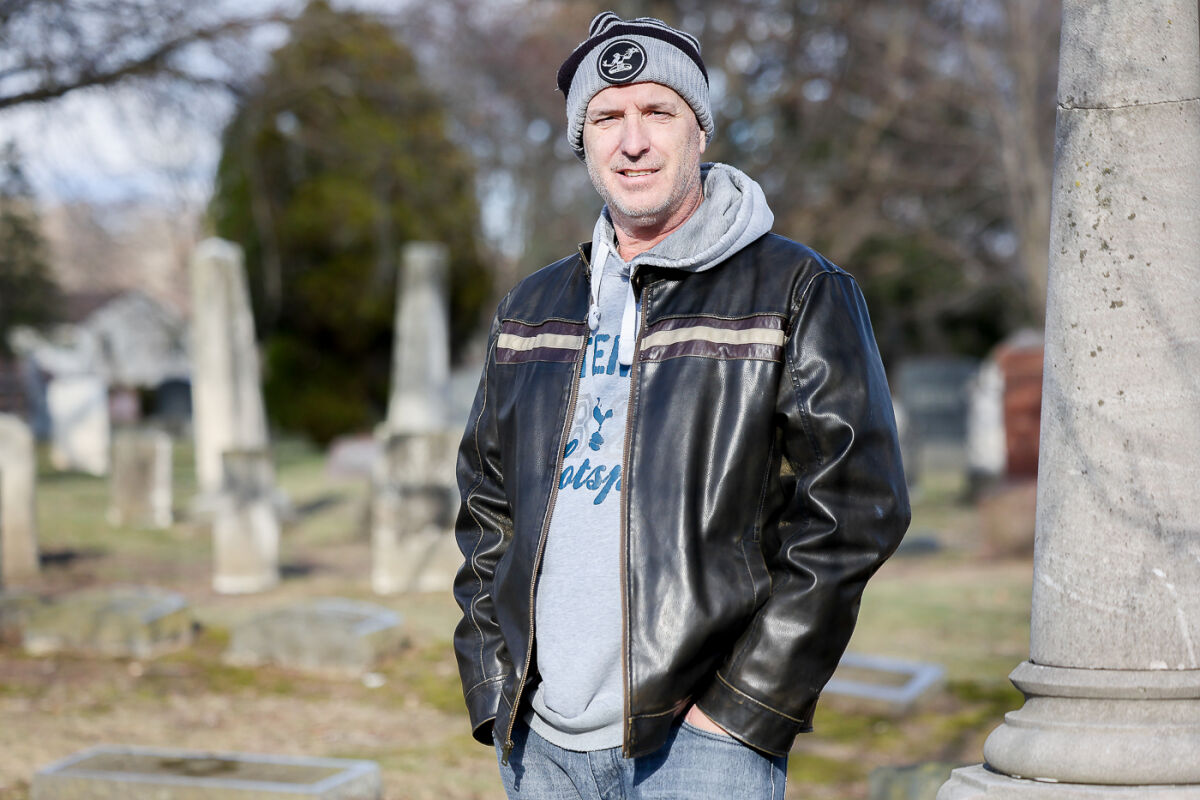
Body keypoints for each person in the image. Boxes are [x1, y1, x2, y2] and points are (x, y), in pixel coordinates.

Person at [453, 11, 910, 799]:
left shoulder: (795, 289)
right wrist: (496, 684)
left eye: (657, 112)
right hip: (540, 745)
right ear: (582, 141)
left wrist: (745, 705)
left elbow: (856, 510)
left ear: (699, 131)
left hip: (701, 747)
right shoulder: (532, 307)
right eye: (607, 118)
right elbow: (486, 507)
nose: (633, 141)